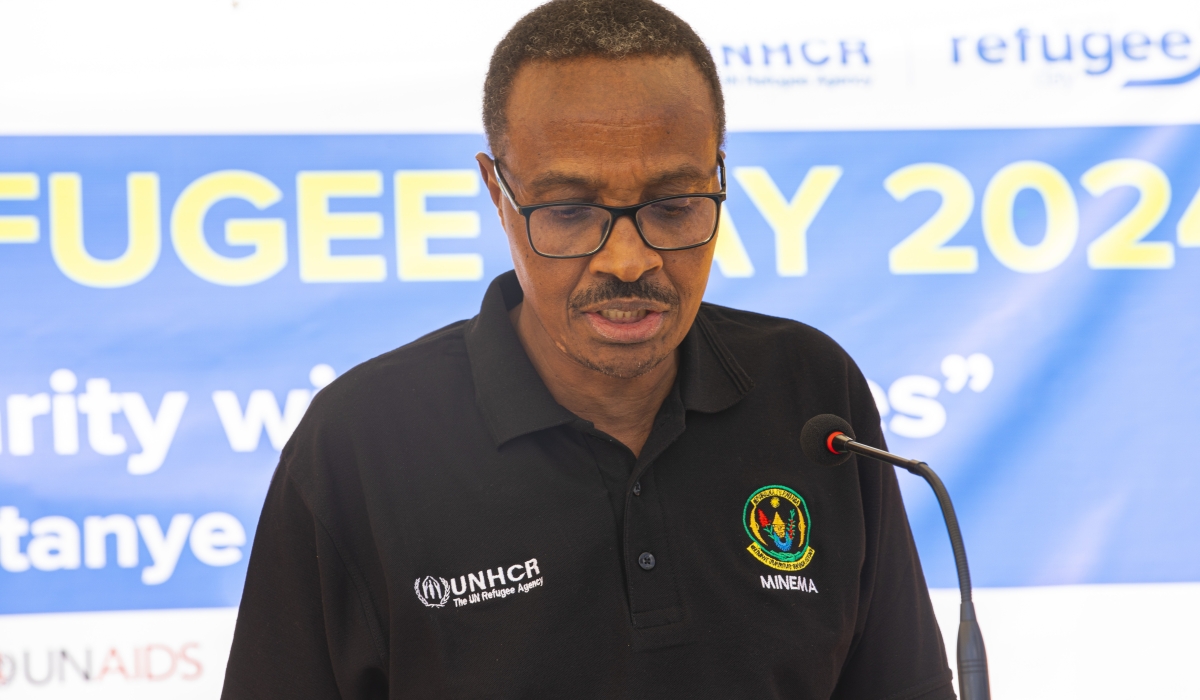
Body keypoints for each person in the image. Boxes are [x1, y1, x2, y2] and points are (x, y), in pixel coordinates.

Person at [220, 1, 955, 698]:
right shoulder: (359, 443)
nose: (629, 260)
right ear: (497, 192)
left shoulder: (811, 396)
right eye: (570, 212)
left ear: (719, 177)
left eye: (673, 206)